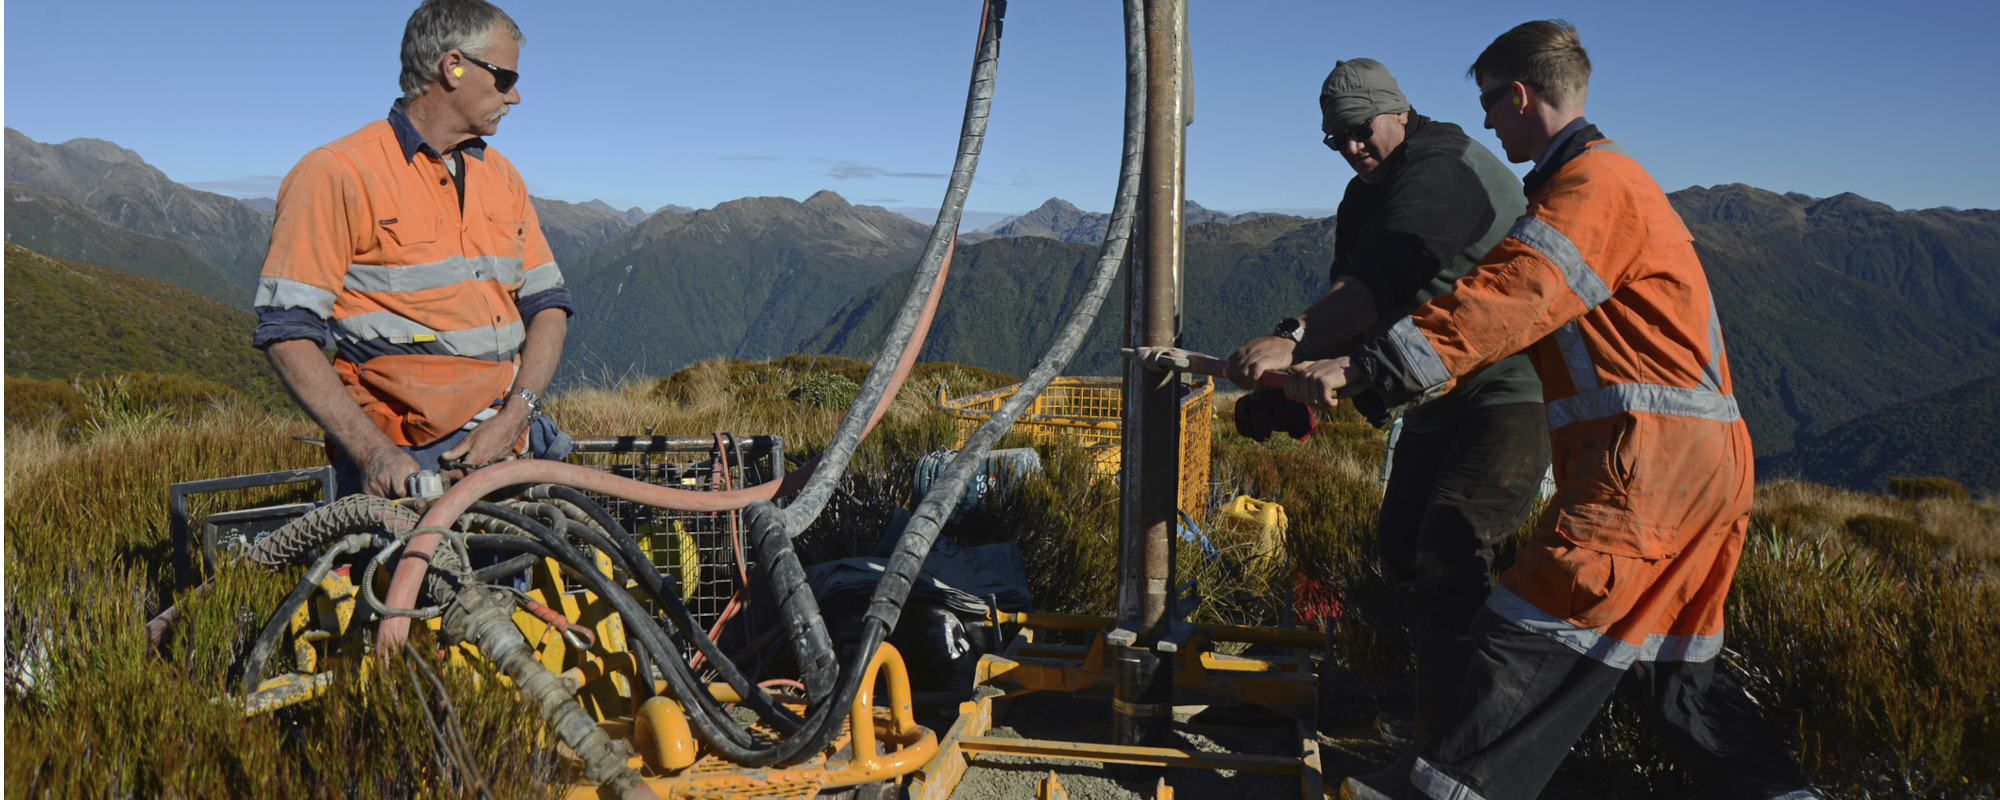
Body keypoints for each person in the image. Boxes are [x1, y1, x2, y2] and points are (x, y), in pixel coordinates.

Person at [1299, 21, 1819, 800]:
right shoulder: (1611, 183)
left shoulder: (1592, 189)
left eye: (1489, 103)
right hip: (1705, 465)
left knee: (1530, 629)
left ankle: (1431, 793)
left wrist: (1363, 367)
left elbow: (1508, 300)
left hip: (1644, 467)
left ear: (1521, 94)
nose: (1483, 121)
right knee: (1678, 681)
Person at [1225, 58, 1549, 788]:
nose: (1350, 148)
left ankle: (1465, 763)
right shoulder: (1362, 195)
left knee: (1453, 546)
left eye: (1360, 131)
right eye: (1335, 139)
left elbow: (1388, 277)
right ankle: (1434, 748)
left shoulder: (1443, 168)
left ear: (1397, 112)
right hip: (1434, 393)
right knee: (1403, 548)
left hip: (1510, 385)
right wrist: (1289, 394)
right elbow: (1356, 296)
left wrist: (1295, 338)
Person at [253, 0, 573, 499]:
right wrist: (374, 453)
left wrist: (517, 415)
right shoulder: (337, 172)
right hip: (409, 463)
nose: (515, 97)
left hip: (510, 444)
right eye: (505, 78)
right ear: (453, 66)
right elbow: (286, 331)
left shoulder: (503, 177)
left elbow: (548, 305)